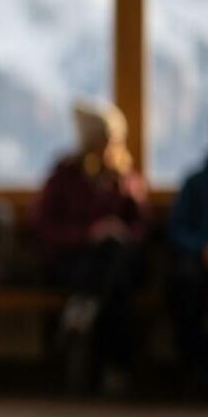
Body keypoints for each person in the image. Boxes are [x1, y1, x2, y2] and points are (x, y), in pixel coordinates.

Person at [33, 100, 148, 395]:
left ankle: (82, 312)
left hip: (112, 265)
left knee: (113, 260)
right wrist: (88, 234)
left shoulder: (124, 179)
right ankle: (115, 369)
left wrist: (116, 232)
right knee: (114, 286)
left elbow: (140, 227)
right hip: (74, 263)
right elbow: (46, 227)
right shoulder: (64, 175)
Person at [169, 107, 208, 394]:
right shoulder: (196, 183)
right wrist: (205, 249)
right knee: (184, 284)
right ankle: (195, 372)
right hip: (201, 260)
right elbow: (177, 229)